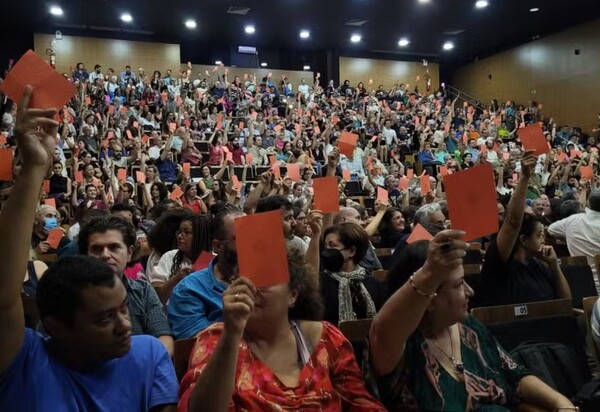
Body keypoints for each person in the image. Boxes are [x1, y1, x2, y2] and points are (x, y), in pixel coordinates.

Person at [0, 86, 178, 411]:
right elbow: (3, 296)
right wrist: (35, 171)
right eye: (105, 318)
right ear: (57, 327)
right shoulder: (25, 358)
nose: (125, 325)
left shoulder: (149, 354)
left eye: (123, 309)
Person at [368, 231, 577, 411]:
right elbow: (382, 331)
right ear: (429, 297)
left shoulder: (469, 327)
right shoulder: (402, 347)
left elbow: (515, 376)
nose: (470, 291)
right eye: (459, 284)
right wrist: (429, 273)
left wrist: (561, 403)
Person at [178, 256, 386, 412]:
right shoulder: (216, 339)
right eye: (242, 280)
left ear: (293, 295)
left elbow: (362, 403)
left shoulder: (327, 338)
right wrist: (232, 332)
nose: (252, 289)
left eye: (264, 280)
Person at [478, 151, 571, 307]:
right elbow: (513, 223)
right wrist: (524, 177)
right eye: (539, 234)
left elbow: (566, 303)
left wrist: (554, 266)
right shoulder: (499, 263)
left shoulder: (539, 265)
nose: (543, 238)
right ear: (523, 240)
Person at [78, 215, 175, 356]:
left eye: (113, 247)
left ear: (129, 253)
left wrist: (143, 364)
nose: (105, 255)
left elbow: (164, 339)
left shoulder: (143, 291)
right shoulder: (72, 294)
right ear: (85, 255)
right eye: (97, 249)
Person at [168, 207, 244, 339]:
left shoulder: (270, 283)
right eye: (241, 238)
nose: (251, 244)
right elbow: (201, 348)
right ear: (217, 246)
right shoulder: (189, 289)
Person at [320, 223, 386, 325]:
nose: (327, 251)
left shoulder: (373, 285)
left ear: (351, 251)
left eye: (332, 246)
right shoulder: (321, 283)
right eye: (326, 246)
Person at [152, 214, 212, 303]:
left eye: (187, 233)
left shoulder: (214, 261)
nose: (179, 236)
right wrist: (178, 277)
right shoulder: (169, 257)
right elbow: (157, 298)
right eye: (180, 232)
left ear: (201, 236)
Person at [548, 190, 600, 292]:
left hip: (583, 288)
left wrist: (568, 235)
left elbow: (551, 229)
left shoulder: (573, 220)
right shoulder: (573, 220)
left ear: (588, 203)